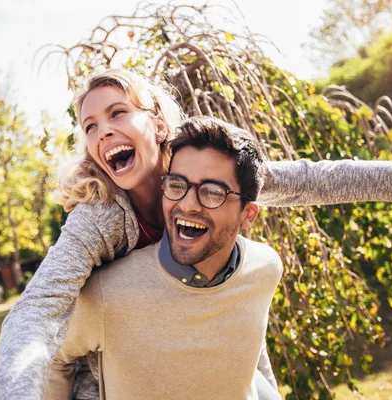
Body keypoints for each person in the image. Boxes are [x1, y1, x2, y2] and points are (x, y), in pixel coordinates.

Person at [0, 69, 392, 400]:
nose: (102, 129)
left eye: (117, 112)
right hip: (118, 362)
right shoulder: (100, 217)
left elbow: (322, 180)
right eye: (89, 126)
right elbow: (36, 311)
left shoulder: (209, 171)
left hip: (212, 313)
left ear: (158, 125)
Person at [44, 116, 282, 399]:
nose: (188, 204)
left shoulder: (265, 267)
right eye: (177, 185)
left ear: (248, 215)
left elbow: (252, 351)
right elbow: (52, 357)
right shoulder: (106, 294)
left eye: (212, 192)